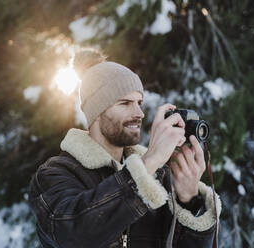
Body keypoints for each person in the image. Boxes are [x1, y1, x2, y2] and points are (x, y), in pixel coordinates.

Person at [28, 49, 221, 248]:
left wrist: (187, 199)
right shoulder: (54, 174)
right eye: (125, 103)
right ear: (96, 112)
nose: (139, 113)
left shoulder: (158, 178)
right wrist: (149, 162)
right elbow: (71, 235)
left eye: (139, 103)